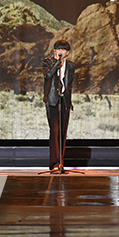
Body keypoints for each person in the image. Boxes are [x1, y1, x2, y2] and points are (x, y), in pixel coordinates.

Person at [42, 40, 75, 171]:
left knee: (62, 132)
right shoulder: (47, 62)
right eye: (58, 49)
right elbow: (48, 75)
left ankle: (61, 163)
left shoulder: (71, 66)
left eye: (63, 49)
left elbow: (69, 85)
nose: (61, 51)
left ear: (67, 52)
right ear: (54, 51)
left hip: (64, 101)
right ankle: (54, 163)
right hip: (52, 101)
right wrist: (57, 63)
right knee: (54, 131)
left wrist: (69, 102)